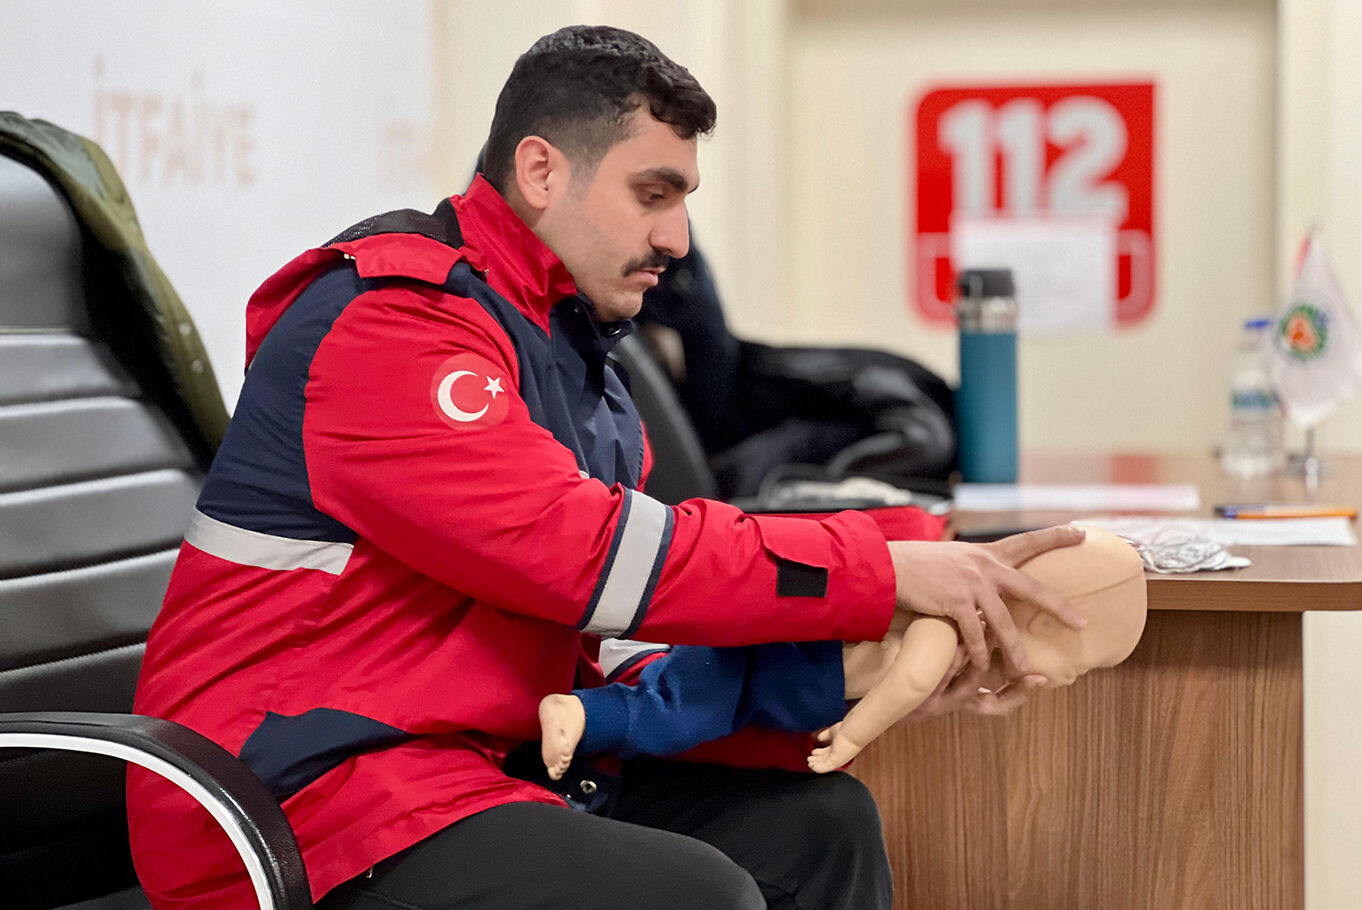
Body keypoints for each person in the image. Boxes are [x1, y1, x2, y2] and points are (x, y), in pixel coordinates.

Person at [126, 25, 1087, 910]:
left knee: (820, 831)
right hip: (301, 797)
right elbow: (586, 556)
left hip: (478, 762)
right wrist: (882, 568)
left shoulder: (567, 354)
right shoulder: (393, 324)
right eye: (653, 194)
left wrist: (846, 668)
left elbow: (617, 637)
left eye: (683, 201)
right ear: (541, 169)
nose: (677, 240)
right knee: (690, 895)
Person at [538, 527, 1147, 778]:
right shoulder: (944, 629)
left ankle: (597, 712)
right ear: (1039, 617)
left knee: (689, 717)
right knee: (677, 714)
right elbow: (910, 684)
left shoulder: (964, 639)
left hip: (770, 692)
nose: (1070, 680)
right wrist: (852, 737)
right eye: (1080, 665)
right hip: (754, 664)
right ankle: (580, 713)